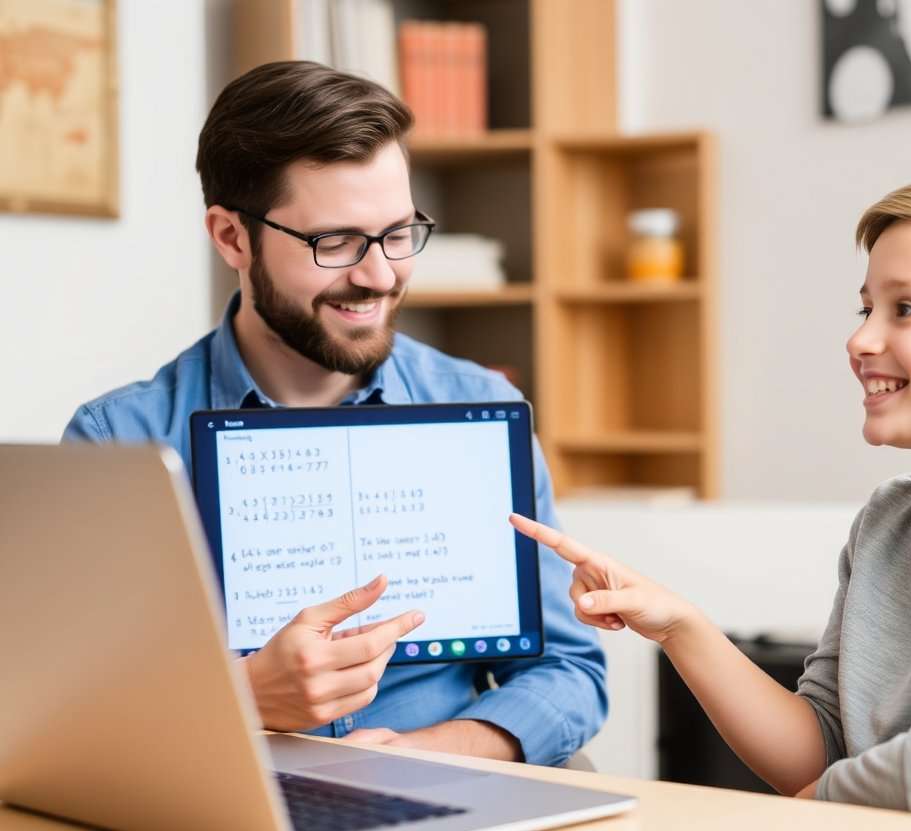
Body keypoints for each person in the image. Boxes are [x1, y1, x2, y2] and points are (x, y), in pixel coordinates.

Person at [511, 174, 911, 827]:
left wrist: (794, 815)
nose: (860, 340)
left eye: (904, 309)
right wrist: (682, 627)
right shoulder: (887, 520)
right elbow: (816, 753)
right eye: (867, 309)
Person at [62, 61, 606, 767]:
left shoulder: (481, 410)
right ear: (231, 237)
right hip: (224, 796)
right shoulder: (120, 443)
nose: (379, 275)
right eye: (335, 242)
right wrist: (244, 695)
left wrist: (435, 752)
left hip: (449, 796)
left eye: (399, 232)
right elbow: (72, 707)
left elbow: (569, 672)